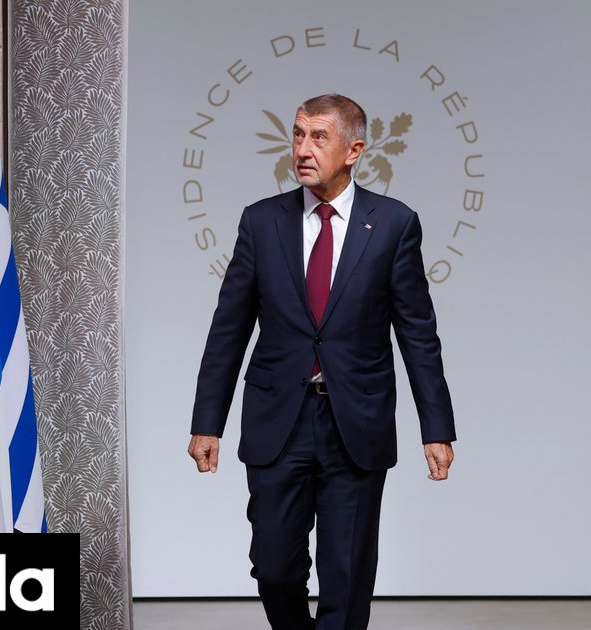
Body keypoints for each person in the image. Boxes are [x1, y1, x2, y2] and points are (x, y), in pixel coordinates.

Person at [187, 93, 457, 630]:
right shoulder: (261, 222)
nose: (303, 149)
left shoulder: (395, 224)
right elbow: (228, 329)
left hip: (355, 422)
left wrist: (436, 428)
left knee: (347, 574)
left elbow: (418, 335)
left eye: (318, 137)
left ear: (354, 150)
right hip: (277, 421)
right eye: (297, 135)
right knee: (274, 569)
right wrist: (206, 421)